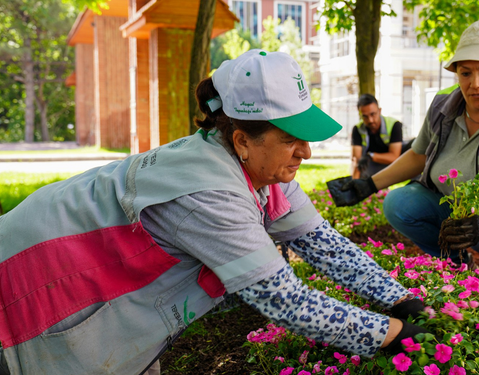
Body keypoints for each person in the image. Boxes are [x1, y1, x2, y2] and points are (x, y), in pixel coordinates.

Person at [0, 50, 428, 375]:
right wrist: (391, 335)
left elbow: (323, 245)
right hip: (32, 276)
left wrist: (398, 298)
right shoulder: (209, 193)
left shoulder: (257, 168)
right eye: (291, 138)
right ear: (243, 140)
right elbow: (284, 301)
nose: (307, 151)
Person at [336, 20, 479, 294]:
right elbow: (418, 154)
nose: (475, 84)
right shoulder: (443, 104)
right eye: (465, 73)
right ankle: (459, 264)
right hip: (461, 206)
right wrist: (369, 185)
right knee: (398, 203)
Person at [351, 94, 412, 179]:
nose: (370, 120)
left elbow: (394, 157)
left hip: (397, 163)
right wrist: (354, 183)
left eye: (373, 114)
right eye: (365, 116)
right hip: (373, 166)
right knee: (362, 170)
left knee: (415, 145)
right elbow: (357, 161)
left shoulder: (394, 125)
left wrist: (370, 156)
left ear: (379, 111)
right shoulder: (357, 129)